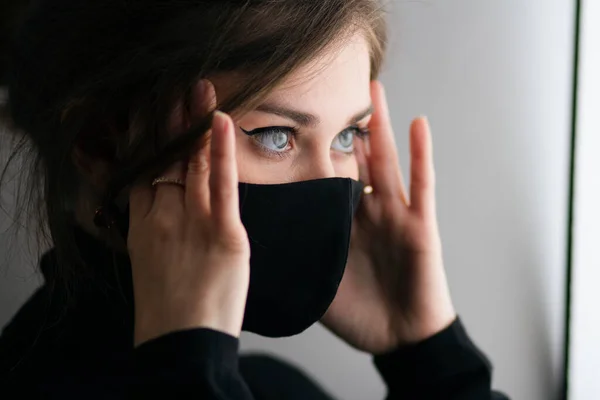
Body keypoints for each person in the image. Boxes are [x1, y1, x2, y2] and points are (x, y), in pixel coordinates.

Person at [0, 0, 509, 399]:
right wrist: (188, 370)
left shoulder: (271, 388)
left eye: (348, 136)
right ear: (101, 144)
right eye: (275, 135)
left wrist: (427, 353)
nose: (331, 185)